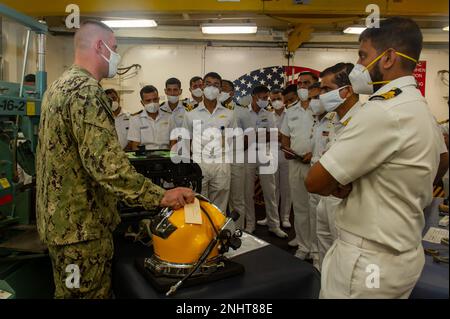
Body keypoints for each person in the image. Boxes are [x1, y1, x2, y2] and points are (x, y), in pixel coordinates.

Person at [36, 20, 195, 299]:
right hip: (82, 229)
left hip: (62, 224)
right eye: (116, 48)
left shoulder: (58, 87)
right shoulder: (86, 91)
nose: (117, 56)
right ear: (101, 46)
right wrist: (160, 196)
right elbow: (107, 167)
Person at [305, 17, 449, 298]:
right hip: (400, 253)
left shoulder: (382, 110)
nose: (358, 65)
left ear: (388, 58)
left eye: (363, 55)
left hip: (367, 263)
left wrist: (344, 184)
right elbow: (441, 159)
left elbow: (316, 182)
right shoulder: (416, 105)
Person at [313, 63, 362, 271]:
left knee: (342, 254)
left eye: (327, 89)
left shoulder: (364, 119)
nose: (321, 95)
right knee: (324, 247)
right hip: (326, 197)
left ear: (347, 90)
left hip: (347, 201)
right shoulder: (333, 119)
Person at [236, 85, 288, 238]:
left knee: (270, 191)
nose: (265, 101)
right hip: (247, 155)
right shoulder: (243, 115)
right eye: (262, 98)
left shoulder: (269, 115)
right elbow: (241, 140)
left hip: (265, 153)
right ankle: (250, 224)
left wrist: (253, 136)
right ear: (254, 97)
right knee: (247, 192)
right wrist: (257, 136)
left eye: (266, 98)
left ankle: (274, 225)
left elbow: (273, 136)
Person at [181, 72, 237, 213]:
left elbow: (232, 139)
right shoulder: (191, 114)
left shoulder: (229, 114)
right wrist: (187, 166)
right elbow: (185, 140)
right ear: (202, 87)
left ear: (220, 90)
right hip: (198, 162)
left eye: (216, 85)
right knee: (196, 204)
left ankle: (218, 234)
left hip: (221, 163)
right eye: (208, 84)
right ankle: (200, 234)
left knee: (219, 206)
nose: (211, 88)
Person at [280, 84, 316, 259]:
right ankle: (303, 246)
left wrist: (313, 153)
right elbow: (285, 136)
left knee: (316, 209)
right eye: (300, 84)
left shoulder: (319, 107)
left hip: (316, 165)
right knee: (300, 207)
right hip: (296, 164)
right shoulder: (291, 111)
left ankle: (316, 249)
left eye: (306, 83)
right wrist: (287, 150)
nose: (303, 87)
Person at [258, 89, 292, 229]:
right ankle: (271, 216)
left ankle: (285, 217)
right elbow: (266, 135)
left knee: (286, 188)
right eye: (273, 100)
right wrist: (278, 136)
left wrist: (280, 136)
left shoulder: (290, 114)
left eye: (278, 98)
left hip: (286, 154)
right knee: (272, 189)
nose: (276, 101)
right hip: (271, 153)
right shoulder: (268, 116)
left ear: (283, 99)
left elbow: (288, 135)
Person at [127, 85, 171, 151]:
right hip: (145, 157)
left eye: (155, 99)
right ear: (142, 102)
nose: (152, 103)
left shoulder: (169, 117)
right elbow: (135, 146)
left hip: (165, 156)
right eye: (148, 100)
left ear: (158, 99)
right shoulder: (135, 119)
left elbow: (173, 142)